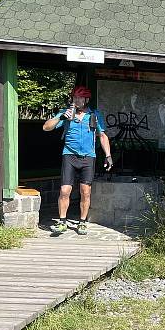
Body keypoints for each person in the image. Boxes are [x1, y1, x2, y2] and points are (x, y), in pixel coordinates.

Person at [42, 85, 112, 235]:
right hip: (69, 155)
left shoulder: (94, 115)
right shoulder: (65, 113)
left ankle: (82, 222)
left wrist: (108, 155)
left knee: (85, 192)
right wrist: (61, 117)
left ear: (86, 100)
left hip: (88, 157)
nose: (77, 100)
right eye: (75, 97)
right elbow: (46, 127)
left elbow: (103, 136)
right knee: (64, 190)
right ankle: (62, 222)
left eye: (80, 98)